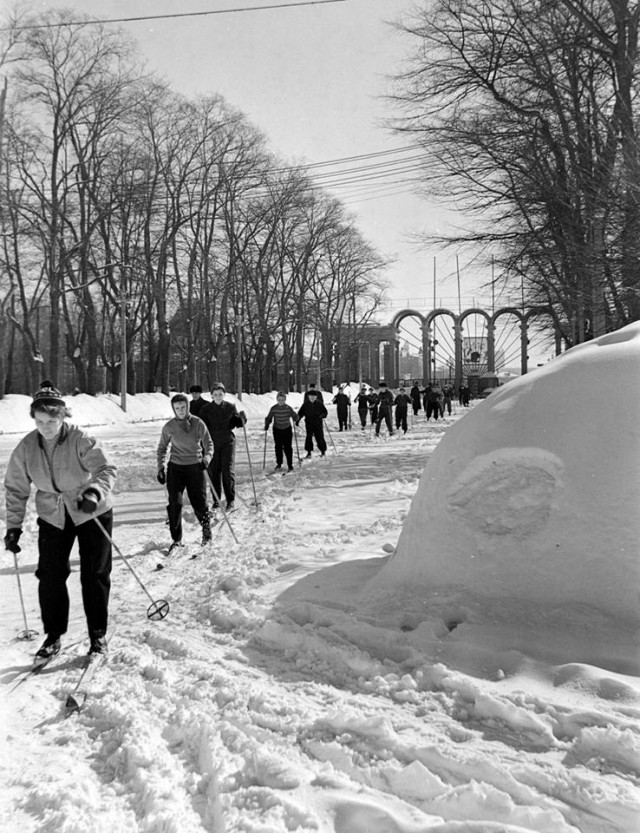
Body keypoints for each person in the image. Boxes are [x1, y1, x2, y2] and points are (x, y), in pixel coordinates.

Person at [4, 381, 117, 660]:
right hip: (52, 514)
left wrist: (94, 492)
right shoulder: (28, 446)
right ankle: (53, 636)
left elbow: (106, 468)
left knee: (94, 574)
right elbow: (16, 488)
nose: (46, 427)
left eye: (52, 420)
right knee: (50, 575)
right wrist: (14, 527)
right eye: (40, 421)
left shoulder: (80, 438)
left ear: (63, 416)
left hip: (91, 509)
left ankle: (97, 636)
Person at [157, 393, 214, 551]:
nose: (180, 411)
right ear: (173, 409)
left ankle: (206, 531)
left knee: (199, 502)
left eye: (183, 407)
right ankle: (176, 539)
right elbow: (162, 449)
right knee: (175, 504)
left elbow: (209, 445)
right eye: (177, 408)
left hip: (195, 467)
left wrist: (206, 459)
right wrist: (160, 468)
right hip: (176, 468)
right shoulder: (169, 427)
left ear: (187, 407)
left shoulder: (197, 423)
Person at [200, 383, 246, 511]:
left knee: (227, 470)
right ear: (211, 395)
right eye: (215, 394)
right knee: (214, 471)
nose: (218, 396)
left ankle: (230, 500)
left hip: (227, 441)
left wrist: (242, 419)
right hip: (212, 443)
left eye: (220, 394)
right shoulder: (206, 409)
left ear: (224, 394)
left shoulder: (230, 407)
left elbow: (237, 423)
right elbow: (201, 427)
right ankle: (216, 500)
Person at [264, 391, 300, 471]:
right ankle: (279, 463)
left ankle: (290, 465)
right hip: (277, 429)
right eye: (279, 399)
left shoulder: (288, 408)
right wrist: (267, 424)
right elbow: (269, 417)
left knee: (288, 447)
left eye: (282, 400)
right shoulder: (274, 408)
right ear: (277, 399)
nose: (281, 401)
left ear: (285, 400)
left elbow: (294, 415)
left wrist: (296, 418)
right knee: (278, 447)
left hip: (287, 429)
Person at [297, 389, 328, 457]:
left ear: (316, 397)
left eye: (314, 396)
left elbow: (325, 411)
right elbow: (300, 413)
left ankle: (323, 451)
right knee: (309, 437)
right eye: (311, 396)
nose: (312, 397)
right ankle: (309, 452)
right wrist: (297, 420)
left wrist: (323, 415)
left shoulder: (319, 403)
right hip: (309, 423)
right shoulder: (305, 404)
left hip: (318, 423)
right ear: (308, 396)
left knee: (319, 437)